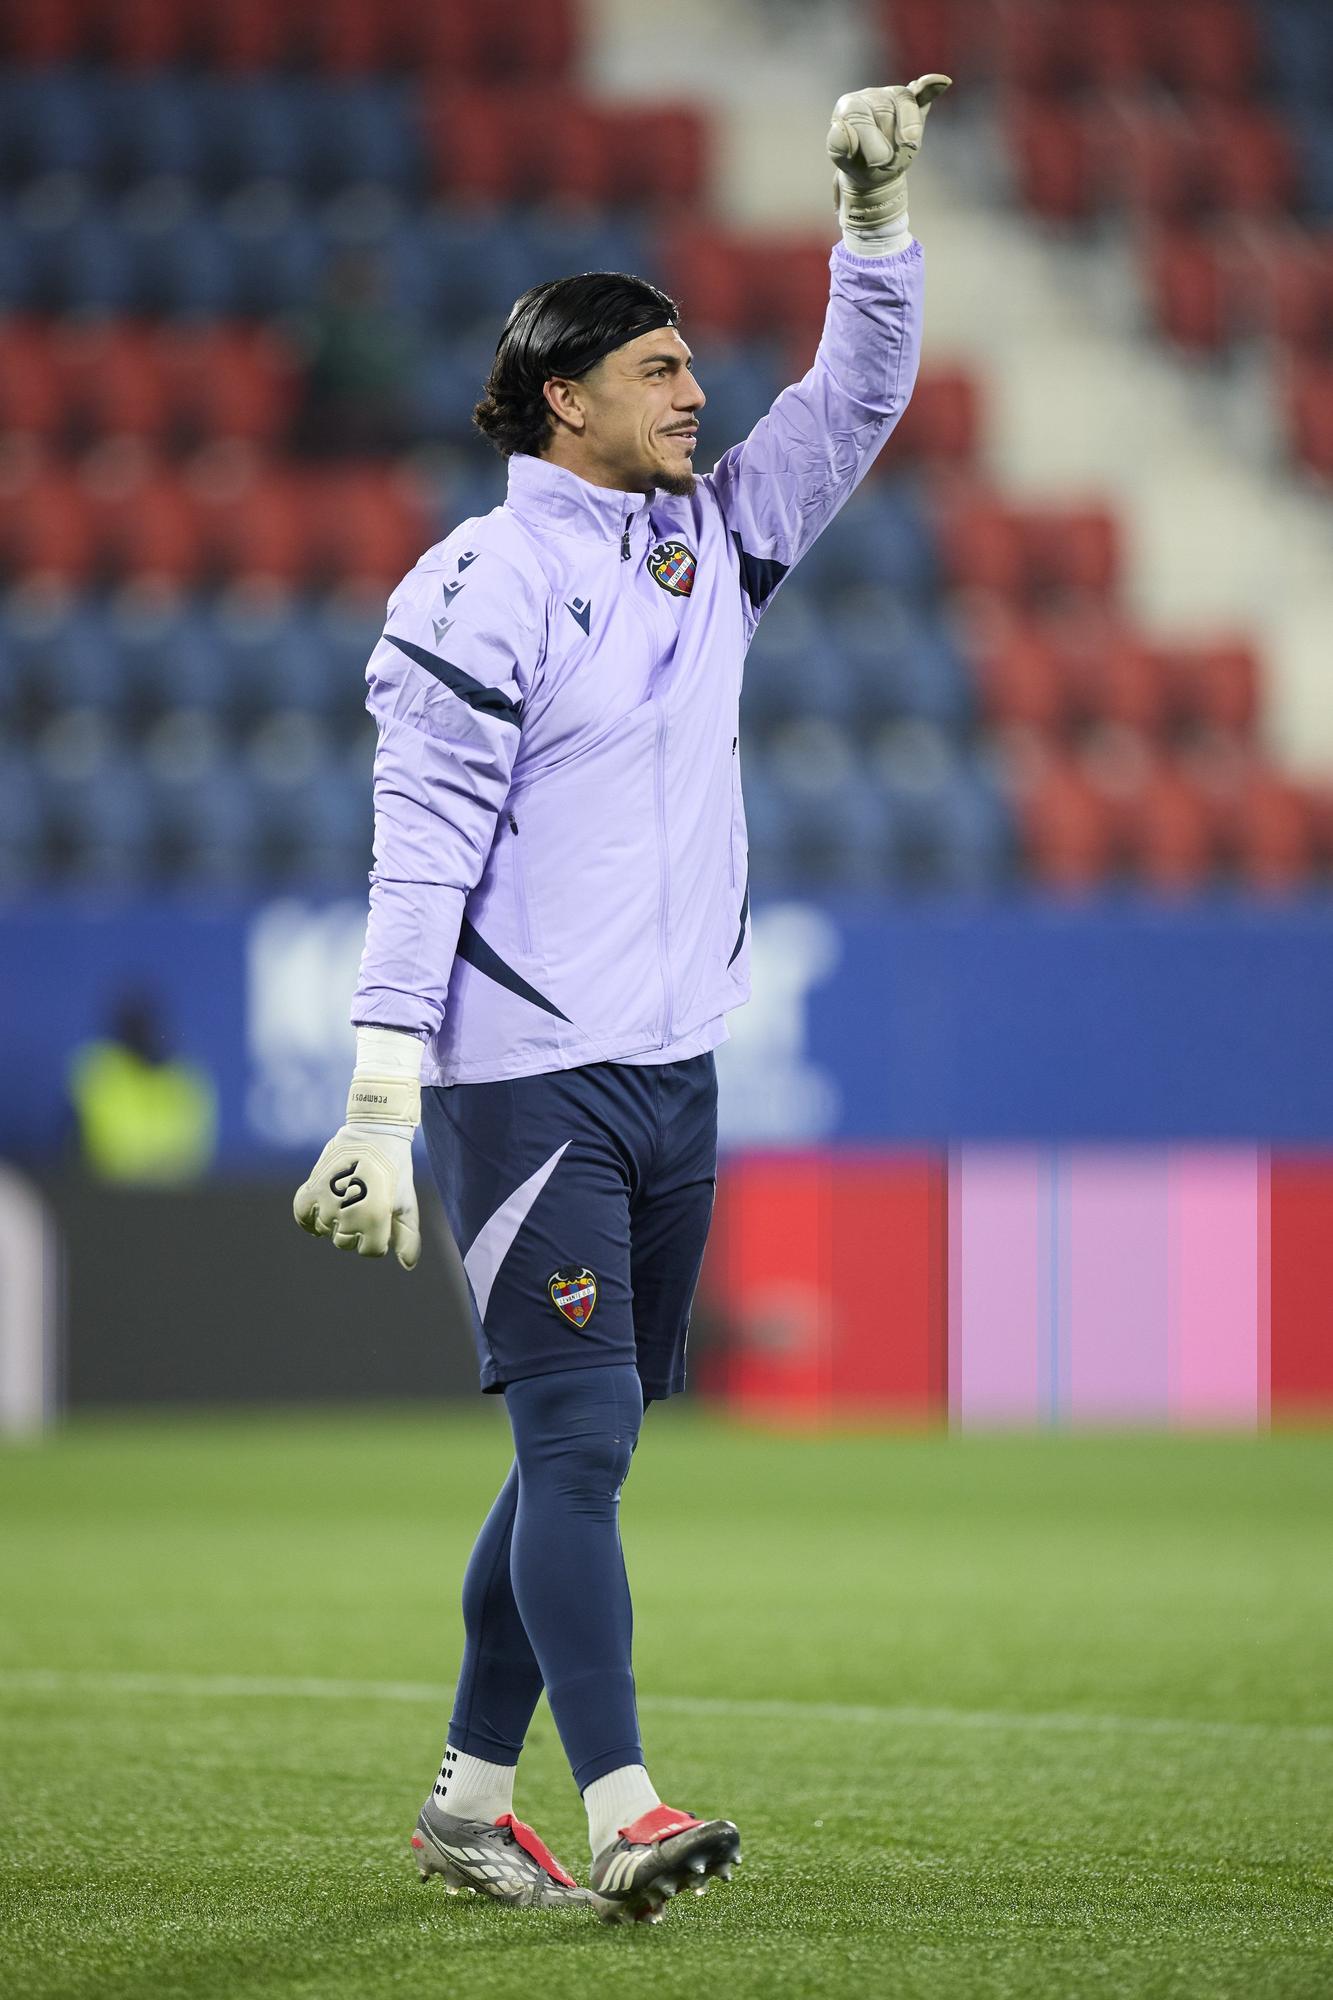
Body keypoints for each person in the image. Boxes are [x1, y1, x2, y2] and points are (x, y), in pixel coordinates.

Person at [294, 75, 948, 1924]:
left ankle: (464, 1799)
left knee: (576, 1449)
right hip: (526, 1083)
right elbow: (418, 856)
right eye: (656, 370)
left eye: (690, 366)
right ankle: (626, 1807)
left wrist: (874, 224)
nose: (694, 392)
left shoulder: (710, 542)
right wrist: (377, 1102)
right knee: (578, 1444)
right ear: (560, 397)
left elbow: (856, 398)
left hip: (675, 1071)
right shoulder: (478, 584)